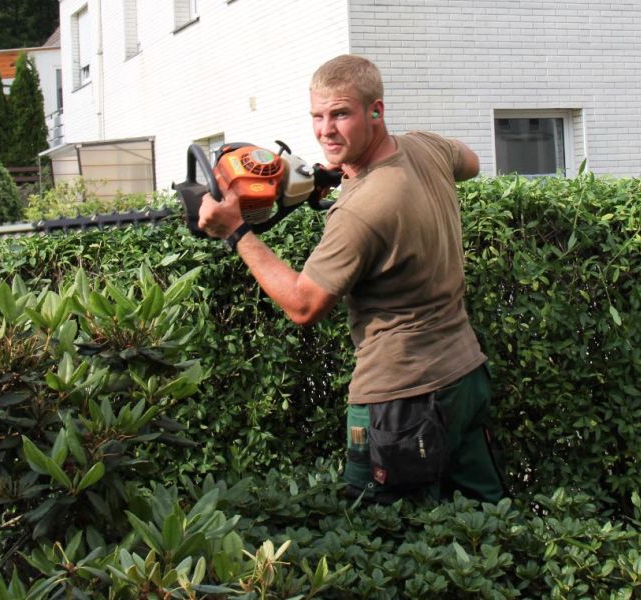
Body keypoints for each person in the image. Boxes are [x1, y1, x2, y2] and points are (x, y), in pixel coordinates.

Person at [198, 54, 506, 504]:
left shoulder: (360, 211)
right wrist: (348, 172)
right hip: (464, 375)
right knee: (487, 521)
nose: (325, 130)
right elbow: (472, 161)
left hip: (401, 398)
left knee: (385, 541)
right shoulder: (425, 147)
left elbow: (303, 306)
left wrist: (236, 232)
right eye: (318, 117)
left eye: (341, 114)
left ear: (375, 111)